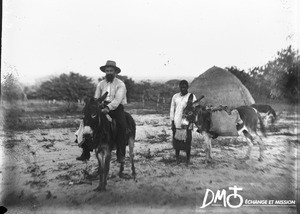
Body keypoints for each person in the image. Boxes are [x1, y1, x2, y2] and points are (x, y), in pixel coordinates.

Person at [76, 60, 127, 162]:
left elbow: (118, 100)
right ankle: (86, 151)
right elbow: (96, 98)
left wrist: (108, 108)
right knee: (87, 122)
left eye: (111, 70)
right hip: (101, 106)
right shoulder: (101, 84)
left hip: (116, 108)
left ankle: (120, 154)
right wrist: (96, 107)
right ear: (105, 72)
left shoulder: (120, 84)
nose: (109, 72)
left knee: (122, 126)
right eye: (107, 70)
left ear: (115, 72)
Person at [170, 80, 196, 163]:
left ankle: (187, 159)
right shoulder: (175, 96)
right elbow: (172, 109)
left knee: (187, 141)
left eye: (185, 87)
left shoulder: (192, 96)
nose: (183, 89)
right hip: (177, 122)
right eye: (181, 87)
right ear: (179, 87)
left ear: (187, 87)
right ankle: (177, 158)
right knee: (177, 141)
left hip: (187, 123)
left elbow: (195, 110)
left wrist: (191, 122)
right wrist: (172, 121)